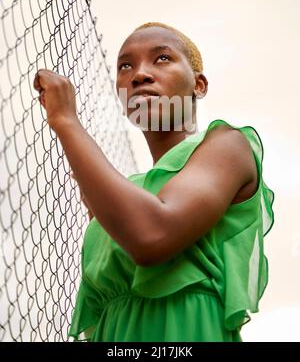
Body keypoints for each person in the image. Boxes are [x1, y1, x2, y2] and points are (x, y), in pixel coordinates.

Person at [33, 22, 275, 342]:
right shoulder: (131, 188)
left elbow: (150, 236)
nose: (139, 74)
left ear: (198, 86)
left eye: (162, 58)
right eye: (125, 66)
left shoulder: (226, 145)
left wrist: (65, 121)